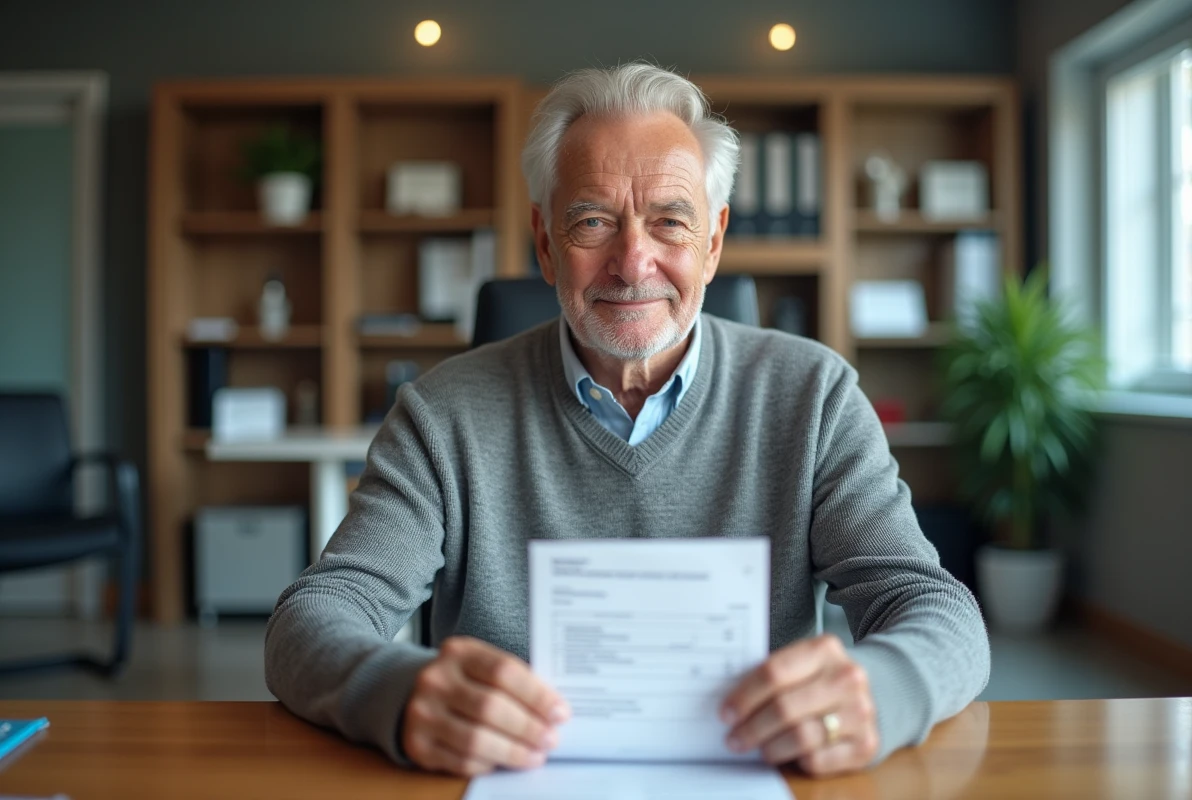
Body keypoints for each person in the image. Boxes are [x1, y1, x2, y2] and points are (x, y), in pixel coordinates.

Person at [264, 62, 989, 779]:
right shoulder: (443, 413)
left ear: (713, 242)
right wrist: (400, 693)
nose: (632, 261)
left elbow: (935, 611)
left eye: (670, 221)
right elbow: (314, 618)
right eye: (592, 222)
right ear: (546, 244)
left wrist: (878, 695)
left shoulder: (815, 398)